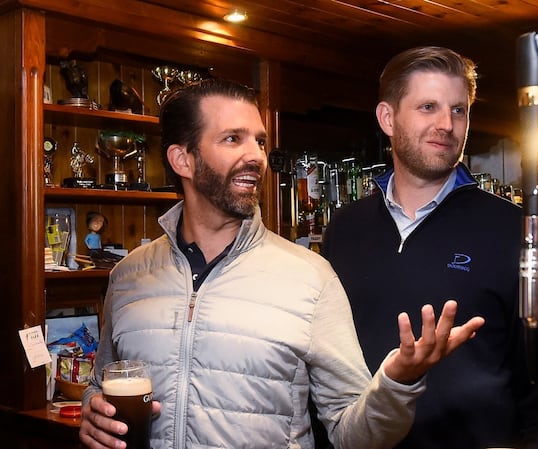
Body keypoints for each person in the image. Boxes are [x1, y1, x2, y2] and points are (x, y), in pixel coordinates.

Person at [78, 78, 484, 449]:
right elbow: (101, 385)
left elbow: (354, 437)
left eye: (258, 141)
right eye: (233, 139)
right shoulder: (128, 275)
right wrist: (92, 410)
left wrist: (397, 382)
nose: (256, 156)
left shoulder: (309, 277)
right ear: (183, 160)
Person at [322, 46, 538, 449]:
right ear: (387, 118)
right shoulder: (344, 228)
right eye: (428, 107)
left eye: (458, 110)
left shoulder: (510, 228)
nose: (446, 123)